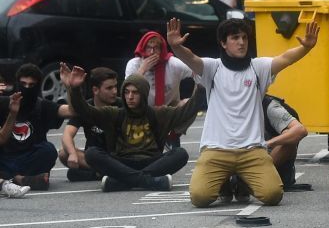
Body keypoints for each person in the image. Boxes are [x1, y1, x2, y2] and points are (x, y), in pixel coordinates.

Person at [167, 16, 320, 208]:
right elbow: (191, 58)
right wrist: (176, 47)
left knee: (273, 195)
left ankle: (241, 182)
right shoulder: (212, 68)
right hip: (216, 149)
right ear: (223, 43)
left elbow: (286, 58)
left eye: (245, 38)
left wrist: (306, 47)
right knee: (200, 198)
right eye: (235, 38)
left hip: (252, 150)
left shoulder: (258, 68)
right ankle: (223, 183)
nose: (241, 42)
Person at [62, 68, 201, 192]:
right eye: (127, 92)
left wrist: (201, 85)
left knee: (180, 154)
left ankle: (122, 182)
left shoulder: (158, 114)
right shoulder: (114, 113)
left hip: (152, 161)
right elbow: (85, 111)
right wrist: (74, 89)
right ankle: (148, 181)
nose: (130, 97)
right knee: (92, 153)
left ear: (144, 94)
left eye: (135, 93)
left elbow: (188, 110)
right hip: (122, 161)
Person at [0, 63, 73, 190]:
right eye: (23, 84)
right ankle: (20, 179)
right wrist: (13, 113)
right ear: (17, 84)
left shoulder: (43, 106)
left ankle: (11, 179)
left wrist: (70, 87)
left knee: (48, 150)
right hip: (6, 158)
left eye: (31, 85)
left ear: (37, 86)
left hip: (30, 158)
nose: (27, 88)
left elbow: (72, 111)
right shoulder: (5, 103)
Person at [59, 66, 120, 182]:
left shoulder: (121, 105)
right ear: (95, 90)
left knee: (73, 174)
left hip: (116, 157)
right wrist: (72, 154)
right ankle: (103, 173)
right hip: (92, 157)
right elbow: (67, 135)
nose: (115, 91)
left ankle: (99, 174)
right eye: (109, 88)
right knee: (63, 154)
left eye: (115, 87)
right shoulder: (85, 107)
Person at [263, 94, 307, 188]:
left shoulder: (270, 106)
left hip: (267, 155)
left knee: (289, 139)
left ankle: (262, 175)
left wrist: (268, 143)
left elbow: (300, 130)